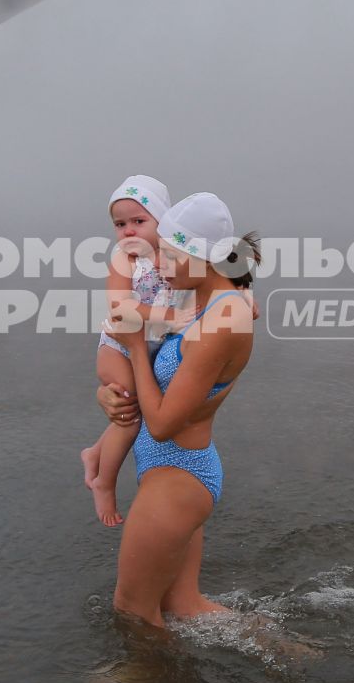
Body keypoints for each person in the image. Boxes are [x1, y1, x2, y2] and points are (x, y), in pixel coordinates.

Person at [99, 192, 259, 630]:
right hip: (169, 470)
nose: (160, 267)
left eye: (169, 256)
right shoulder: (204, 301)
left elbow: (165, 423)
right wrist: (109, 395)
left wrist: (133, 348)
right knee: (183, 607)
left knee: (132, 612)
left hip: (178, 473)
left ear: (200, 257)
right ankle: (280, 647)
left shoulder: (223, 320)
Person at [81, 175, 181, 528]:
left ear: (162, 221)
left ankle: (95, 452)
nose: (128, 232)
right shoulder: (125, 261)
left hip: (149, 346)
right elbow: (120, 308)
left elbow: (217, 279)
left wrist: (243, 299)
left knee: (136, 405)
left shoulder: (175, 258)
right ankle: (104, 483)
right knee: (129, 412)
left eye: (139, 221)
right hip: (116, 346)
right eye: (119, 224)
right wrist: (171, 317)